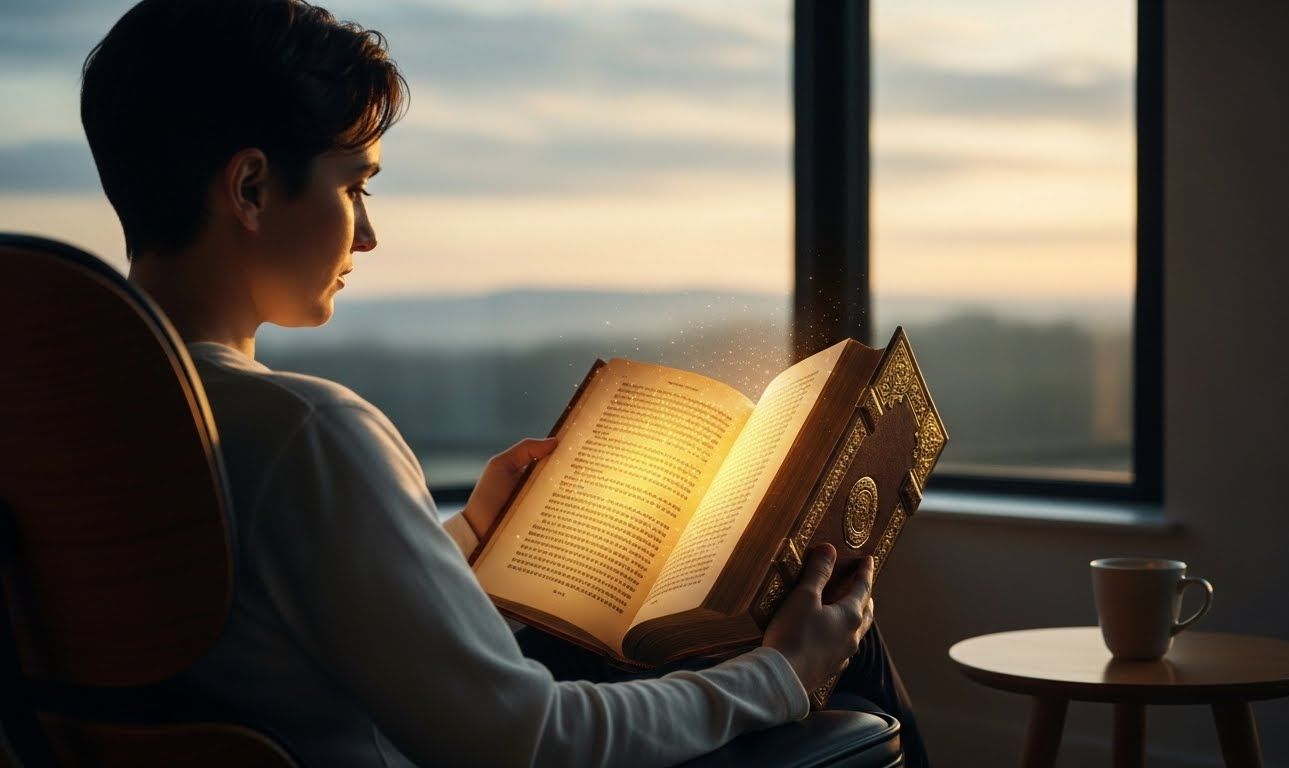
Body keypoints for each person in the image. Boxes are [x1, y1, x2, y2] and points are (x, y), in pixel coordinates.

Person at [79, 1, 929, 766]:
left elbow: (274, 629)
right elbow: (521, 740)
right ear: (253, 188)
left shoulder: (80, 410)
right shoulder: (303, 430)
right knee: (835, 642)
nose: (366, 235)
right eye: (355, 184)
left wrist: (476, 530)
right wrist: (778, 675)